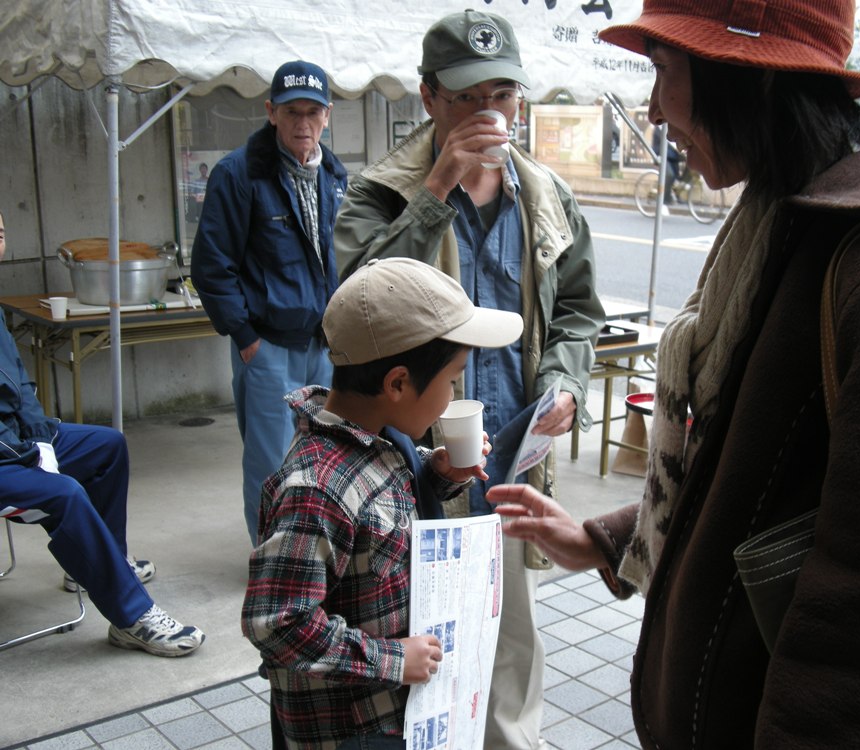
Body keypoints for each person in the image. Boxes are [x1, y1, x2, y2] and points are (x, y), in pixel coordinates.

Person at [486, 1, 860, 747]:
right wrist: (609, 540)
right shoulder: (778, 229)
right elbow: (763, 485)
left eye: (665, 70)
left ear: (752, 76)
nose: (655, 111)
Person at [334, 10, 604, 748]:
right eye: (465, 96)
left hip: (510, 464)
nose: (488, 113)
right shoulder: (382, 192)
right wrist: (437, 189)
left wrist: (566, 383)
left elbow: (579, 312)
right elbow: (352, 306)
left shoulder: (547, 196)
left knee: (513, 642)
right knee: (411, 649)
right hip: (408, 470)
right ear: (428, 98)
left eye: (503, 94)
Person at [241, 257, 523, 749]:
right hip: (348, 731)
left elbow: (382, 518)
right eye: (452, 378)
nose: (455, 392)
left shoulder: (380, 438)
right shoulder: (315, 489)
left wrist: (437, 474)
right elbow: (278, 622)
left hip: (395, 715)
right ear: (396, 383)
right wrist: (394, 660)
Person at [0, 210, 205, 658]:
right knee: (65, 493)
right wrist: (24, 451)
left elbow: (18, 381)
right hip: (3, 456)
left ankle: (103, 563)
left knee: (106, 446)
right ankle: (130, 616)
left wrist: (37, 432)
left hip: (17, 439)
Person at [191, 60, 349, 543]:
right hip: (266, 347)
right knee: (270, 462)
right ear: (270, 113)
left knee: (324, 456)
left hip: (323, 345)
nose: (303, 123)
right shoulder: (239, 173)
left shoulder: (335, 176)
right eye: (292, 111)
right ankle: (271, 564)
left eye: (313, 112)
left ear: (327, 115)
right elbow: (212, 265)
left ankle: (313, 556)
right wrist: (244, 336)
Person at [651, 123, 681, 204]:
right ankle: (664, 197)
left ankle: (673, 195)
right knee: (670, 174)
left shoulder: (670, 127)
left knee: (677, 174)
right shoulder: (659, 129)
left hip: (670, 156)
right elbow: (665, 143)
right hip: (661, 156)